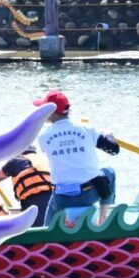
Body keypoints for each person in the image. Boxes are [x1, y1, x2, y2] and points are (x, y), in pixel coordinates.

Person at [34, 91, 120, 223]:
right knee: (109, 171)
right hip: (89, 194)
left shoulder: (43, 137)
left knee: (48, 221)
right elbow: (114, 150)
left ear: (52, 113)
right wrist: (107, 135)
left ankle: (47, 233)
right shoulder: (85, 128)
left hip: (61, 199)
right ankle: (103, 219)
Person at [0, 152, 55, 225]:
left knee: (35, 232)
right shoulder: (46, 159)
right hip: (54, 202)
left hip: (35, 205)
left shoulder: (17, 161)